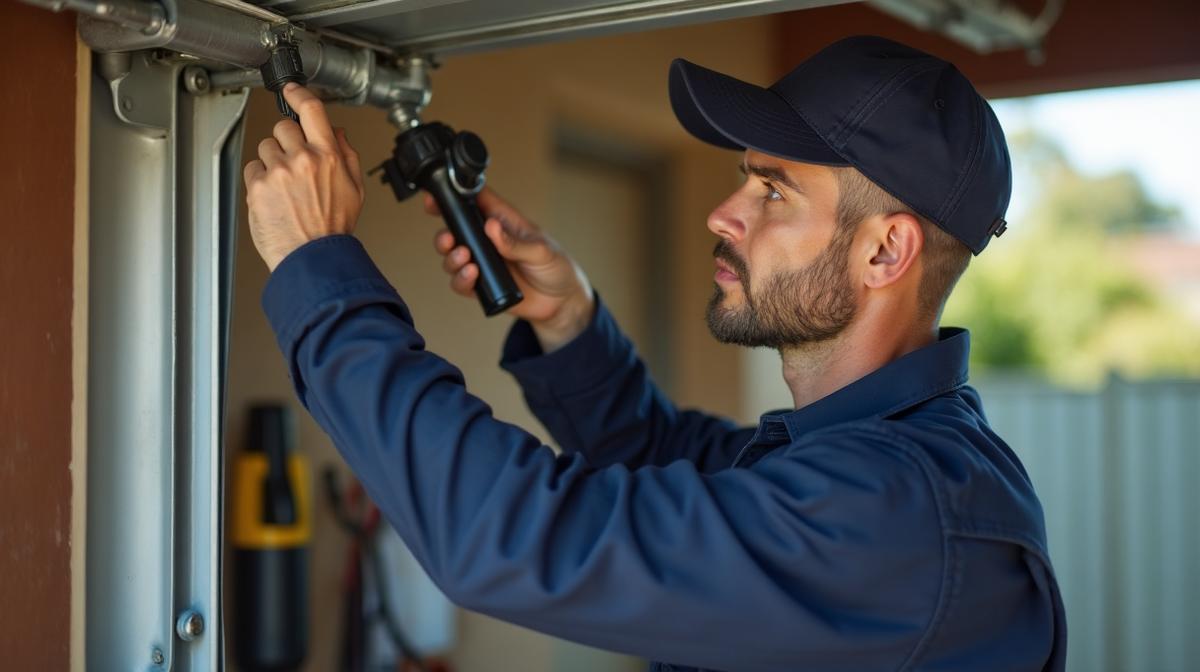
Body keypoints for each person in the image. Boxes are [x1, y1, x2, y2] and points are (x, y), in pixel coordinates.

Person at [243, 35, 1066, 672]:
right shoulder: (866, 460)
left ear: (885, 253)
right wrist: (572, 321)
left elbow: (517, 538)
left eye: (773, 189)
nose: (723, 213)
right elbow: (668, 464)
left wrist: (322, 269)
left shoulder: (901, 514)